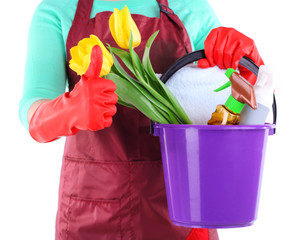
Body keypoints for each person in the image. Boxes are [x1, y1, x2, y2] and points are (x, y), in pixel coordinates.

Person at [19, 0, 263, 239]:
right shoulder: (58, 9)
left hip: (182, 211)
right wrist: (69, 110)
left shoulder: (191, 7)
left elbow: (232, 111)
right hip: (90, 212)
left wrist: (250, 69)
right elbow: (33, 112)